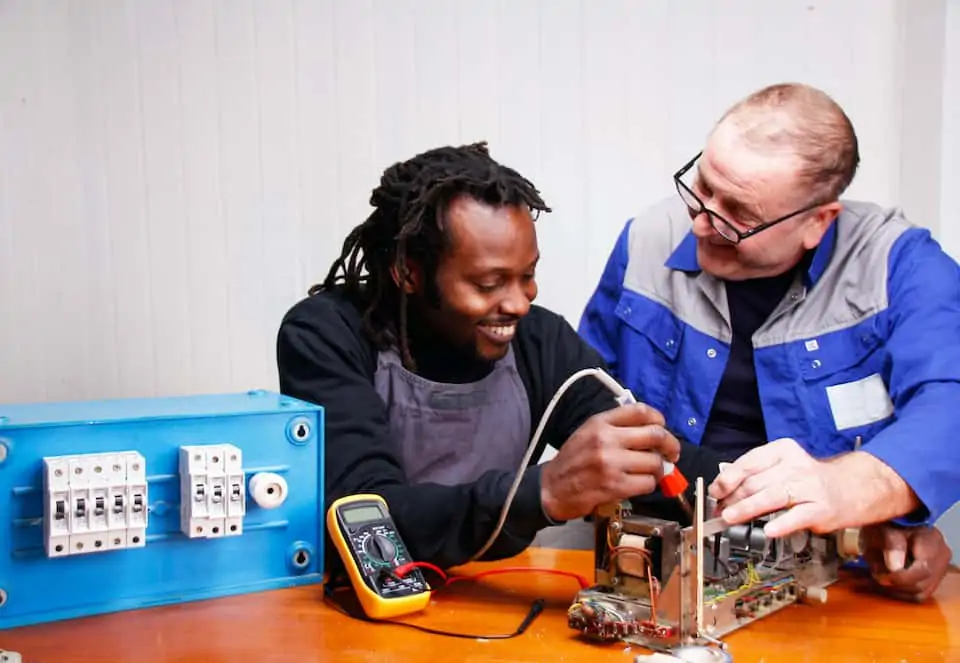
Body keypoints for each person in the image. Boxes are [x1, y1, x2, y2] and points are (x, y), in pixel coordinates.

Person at [578, 82, 957, 601]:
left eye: (737, 213)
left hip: (827, 574)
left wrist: (862, 493)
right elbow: (587, 393)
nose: (702, 223)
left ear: (816, 223)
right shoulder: (646, 239)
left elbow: (949, 403)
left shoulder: (899, 267)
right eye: (702, 187)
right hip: (654, 557)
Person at [275, 142, 722, 571]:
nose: (519, 303)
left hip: (492, 604)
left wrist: (738, 484)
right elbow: (367, 523)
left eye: (527, 276)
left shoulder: (539, 340)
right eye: (489, 284)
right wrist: (543, 492)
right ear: (408, 272)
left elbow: (648, 454)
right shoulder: (327, 335)